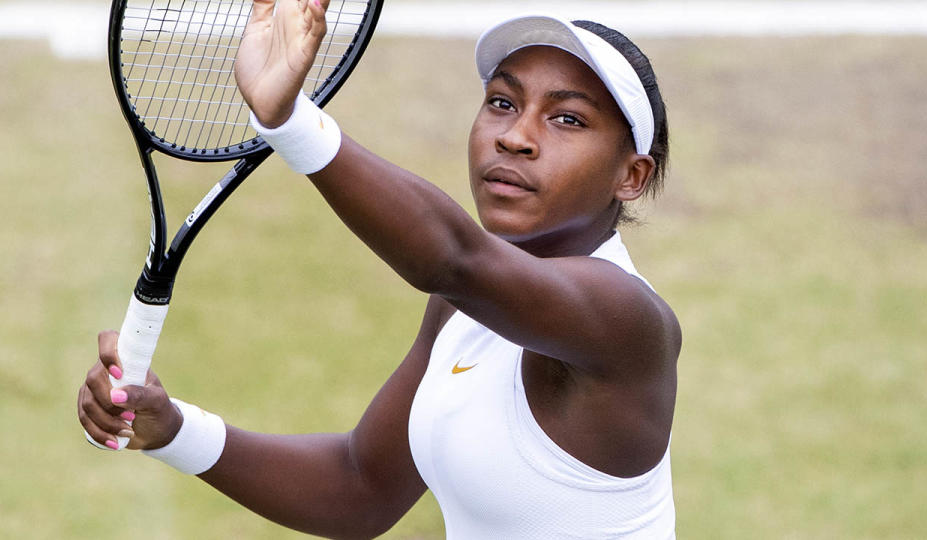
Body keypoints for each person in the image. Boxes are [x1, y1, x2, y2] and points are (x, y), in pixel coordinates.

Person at [77, 1, 681, 538]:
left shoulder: (625, 321)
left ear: (632, 176)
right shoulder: (462, 307)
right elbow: (359, 487)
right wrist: (174, 430)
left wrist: (290, 123)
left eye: (567, 118)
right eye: (502, 102)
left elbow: (454, 258)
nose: (515, 137)